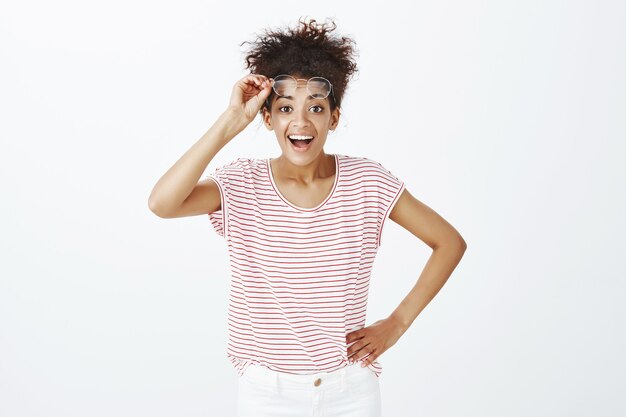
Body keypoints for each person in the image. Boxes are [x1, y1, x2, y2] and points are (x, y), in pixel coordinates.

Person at [148, 17, 467, 417]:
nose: (300, 122)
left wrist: (398, 322)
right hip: (267, 393)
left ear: (333, 117)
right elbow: (162, 203)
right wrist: (230, 122)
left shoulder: (367, 183)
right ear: (267, 119)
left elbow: (449, 242)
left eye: (316, 107)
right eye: (284, 109)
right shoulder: (241, 183)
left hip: (350, 390)